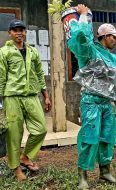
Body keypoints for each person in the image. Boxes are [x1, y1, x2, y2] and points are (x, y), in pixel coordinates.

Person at [67, 4, 116, 189]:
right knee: (89, 138)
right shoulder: (90, 51)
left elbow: (114, 82)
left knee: (107, 137)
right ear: (105, 37)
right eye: (114, 37)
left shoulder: (114, 59)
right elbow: (81, 37)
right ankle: (82, 174)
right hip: (91, 103)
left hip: (106, 104)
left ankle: (105, 171)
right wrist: (83, 15)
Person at [0, 19, 51, 181]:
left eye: (21, 29)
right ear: (10, 33)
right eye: (15, 30)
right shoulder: (4, 52)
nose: (19, 33)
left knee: (41, 128)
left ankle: (26, 156)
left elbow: (39, 75)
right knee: (14, 134)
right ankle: (16, 170)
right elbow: (1, 77)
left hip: (31, 95)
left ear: (25, 32)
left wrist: (46, 95)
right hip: (12, 97)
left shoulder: (32, 52)